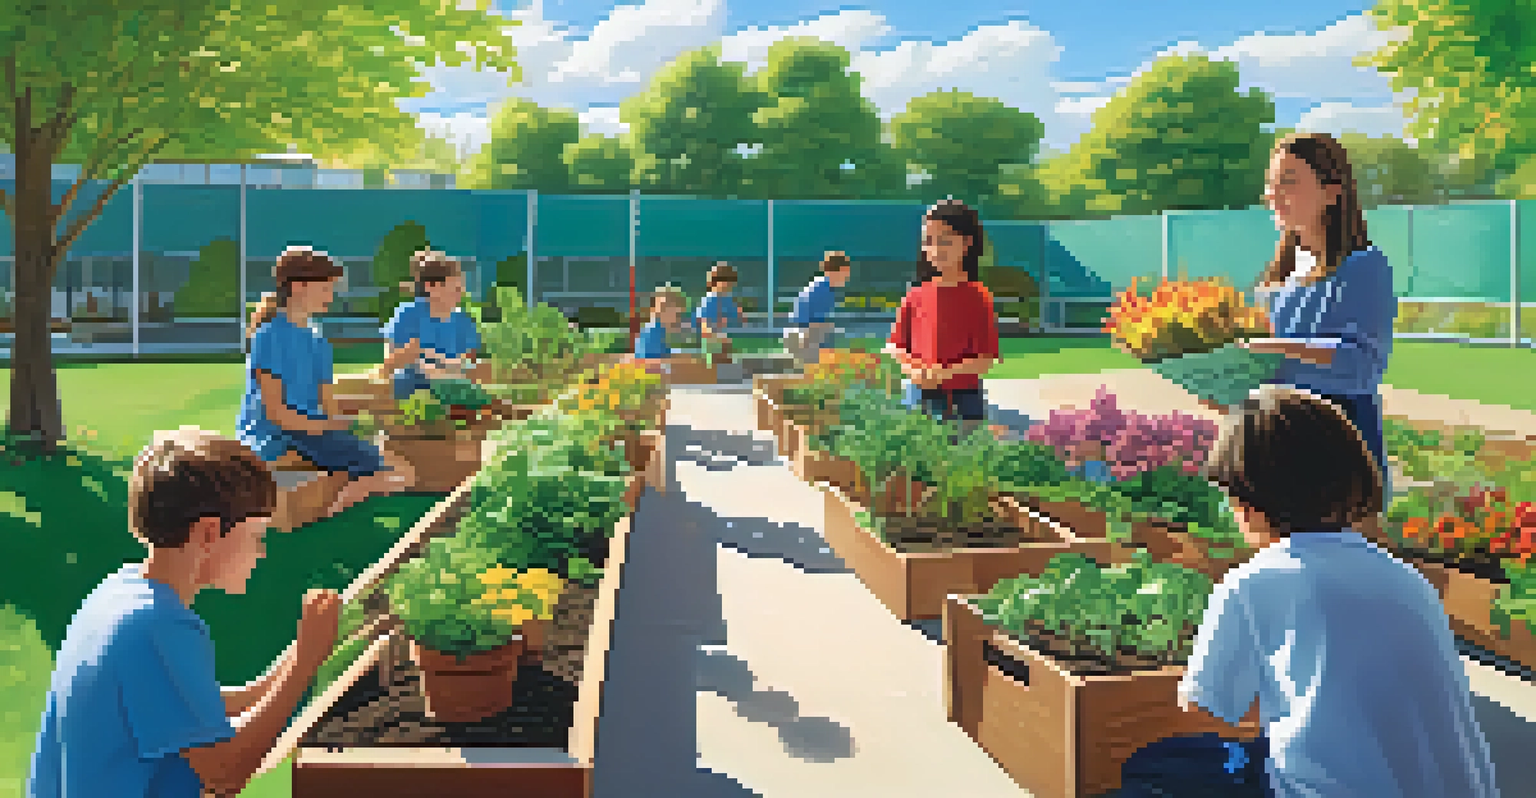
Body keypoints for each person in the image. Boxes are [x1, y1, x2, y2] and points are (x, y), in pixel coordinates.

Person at [1175, 385, 1498, 798]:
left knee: (1157, 767)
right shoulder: (1405, 577)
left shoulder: (1252, 583)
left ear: (1244, 502)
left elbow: (1203, 709)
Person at [27, 428, 343, 798]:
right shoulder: (158, 625)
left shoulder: (119, 593)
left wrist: (299, 655)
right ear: (209, 533)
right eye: (257, 535)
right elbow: (225, 772)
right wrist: (305, 664)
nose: (262, 553)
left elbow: (191, 706)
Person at [1242, 131, 1397, 518]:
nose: (1273, 195)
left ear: (1333, 192)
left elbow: (1362, 368)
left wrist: (1272, 350)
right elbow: (1275, 373)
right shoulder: (1279, 280)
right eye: (1271, 183)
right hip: (1277, 448)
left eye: (1289, 181)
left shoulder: (1364, 265)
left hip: (1339, 454)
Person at [238, 247, 412, 529]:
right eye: (325, 288)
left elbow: (326, 399)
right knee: (398, 473)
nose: (331, 296)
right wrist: (326, 427)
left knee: (401, 472)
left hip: (314, 431)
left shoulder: (317, 338)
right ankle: (341, 507)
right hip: (285, 434)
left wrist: (343, 424)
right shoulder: (270, 336)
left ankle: (345, 498)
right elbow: (275, 413)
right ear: (298, 286)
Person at [886, 199, 1001, 431]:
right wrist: (915, 371)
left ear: (967, 243)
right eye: (929, 241)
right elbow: (896, 347)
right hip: (918, 395)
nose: (936, 249)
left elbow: (986, 358)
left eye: (945, 241)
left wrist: (943, 374)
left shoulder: (978, 297)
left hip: (964, 401)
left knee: (964, 461)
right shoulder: (914, 295)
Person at [378, 249, 486, 400]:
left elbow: (471, 365)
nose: (461, 293)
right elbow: (388, 366)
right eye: (455, 288)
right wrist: (411, 355)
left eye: (461, 287)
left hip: (452, 392)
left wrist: (441, 362)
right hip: (411, 394)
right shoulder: (407, 314)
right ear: (430, 287)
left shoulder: (463, 321)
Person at [784, 250, 851, 367]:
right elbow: (813, 326)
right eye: (846, 272)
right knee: (839, 337)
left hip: (797, 335)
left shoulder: (823, 285)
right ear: (841, 270)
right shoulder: (823, 290)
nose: (848, 276)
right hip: (801, 338)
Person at [695, 262, 746, 361]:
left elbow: (738, 320)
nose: (728, 284)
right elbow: (704, 325)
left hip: (726, 340)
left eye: (730, 281)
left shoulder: (728, 300)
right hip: (713, 342)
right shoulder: (709, 300)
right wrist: (715, 336)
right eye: (724, 280)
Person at [633, 286, 688, 362]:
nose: (678, 317)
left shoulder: (656, 328)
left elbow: (666, 353)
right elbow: (660, 360)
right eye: (677, 312)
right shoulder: (654, 331)